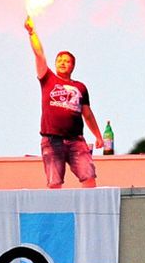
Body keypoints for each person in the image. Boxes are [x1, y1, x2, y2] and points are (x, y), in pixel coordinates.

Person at [25, 15, 104, 189]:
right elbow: (39, 55)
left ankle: (91, 205)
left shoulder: (80, 87)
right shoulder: (48, 78)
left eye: (67, 61)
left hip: (76, 140)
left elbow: (87, 114)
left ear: (72, 66)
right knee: (54, 183)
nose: (63, 63)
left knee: (89, 176)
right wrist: (32, 33)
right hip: (52, 140)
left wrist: (98, 136)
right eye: (59, 60)